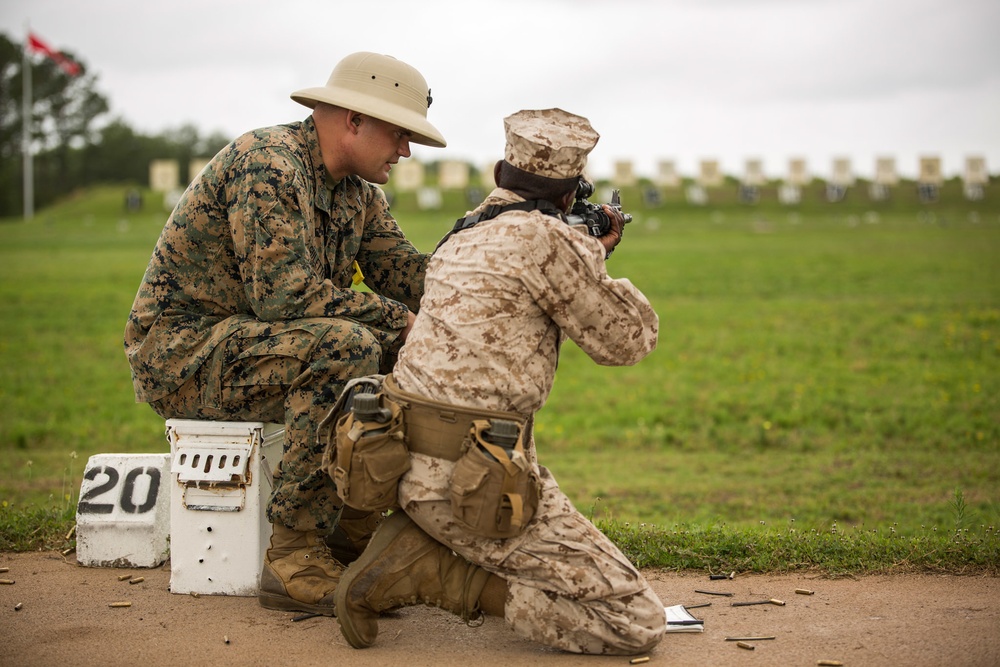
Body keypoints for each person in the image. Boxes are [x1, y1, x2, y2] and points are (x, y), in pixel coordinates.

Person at [123, 52, 446, 616]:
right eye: (398, 135)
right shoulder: (269, 163)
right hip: (184, 354)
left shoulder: (357, 193)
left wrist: (505, 261)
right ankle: (294, 555)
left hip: (251, 348)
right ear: (354, 120)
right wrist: (401, 322)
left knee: (395, 340)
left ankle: (352, 530)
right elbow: (283, 295)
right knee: (348, 346)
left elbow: (409, 278)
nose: (405, 151)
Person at [334, 108, 666, 654]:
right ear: (570, 193)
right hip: (469, 484)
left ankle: (425, 543)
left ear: (498, 174)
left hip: (401, 460)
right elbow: (626, 343)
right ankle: (435, 573)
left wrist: (577, 249)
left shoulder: (463, 233)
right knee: (634, 621)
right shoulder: (552, 241)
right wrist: (594, 260)